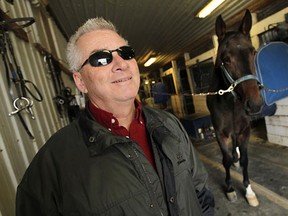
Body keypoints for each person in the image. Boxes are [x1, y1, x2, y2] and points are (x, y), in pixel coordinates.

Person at [16, 17, 214, 216]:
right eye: (101, 59)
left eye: (125, 53)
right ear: (80, 81)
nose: (121, 63)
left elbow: (201, 193)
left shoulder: (170, 124)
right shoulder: (52, 166)